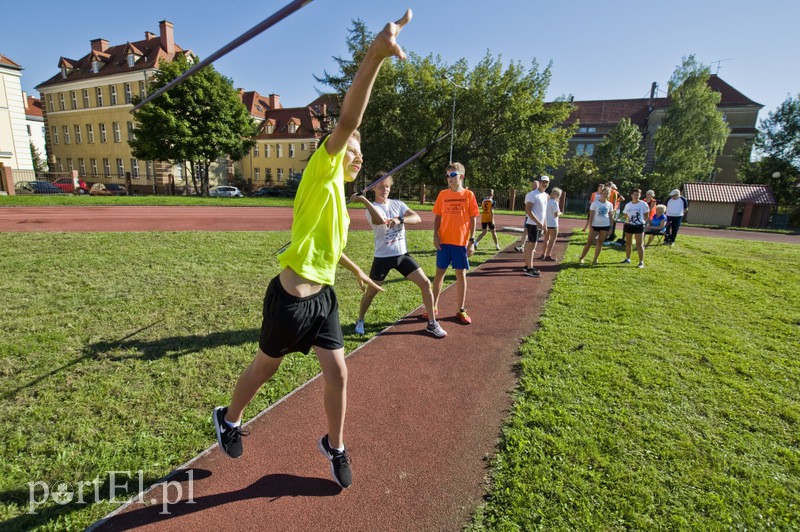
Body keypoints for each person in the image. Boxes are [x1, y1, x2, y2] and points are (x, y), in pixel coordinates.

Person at [212, 9, 413, 490]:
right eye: (352, 148)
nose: (357, 154)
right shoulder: (321, 174)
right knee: (265, 369)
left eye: (360, 150)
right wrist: (375, 56)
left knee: (339, 374)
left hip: (322, 298)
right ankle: (229, 416)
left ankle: (335, 446)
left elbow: (327, 249)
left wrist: (359, 275)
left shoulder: (339, 202)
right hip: (289, 301)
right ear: (332, 149)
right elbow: (348, 118)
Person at [350, 173, 446, 338]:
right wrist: (364, 201)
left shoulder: (398, 204)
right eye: (380, 186)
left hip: (402, 255)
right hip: (383, 257)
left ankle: (432, 323)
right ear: (373, 188)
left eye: (387, 186)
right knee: (372, 291)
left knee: (425, 283)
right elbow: (380, 220)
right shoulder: (372, 208)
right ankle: (360, 319)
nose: (384, 189)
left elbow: (417, 218)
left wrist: (401, 219)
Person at [431, 162, 480, 325]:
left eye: (453, 175)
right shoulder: (442, 195)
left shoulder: (469, 195)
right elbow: (437, 216)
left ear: (461, 176)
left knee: (461, 275)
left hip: (460, 243)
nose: (449, 178)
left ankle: (461, 309)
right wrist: (435, 235)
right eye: (447, 175)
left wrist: (471, 241)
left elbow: (473, 219)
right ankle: (433, 308)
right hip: (444, 242)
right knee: (439, 274)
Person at [578, 186, 613, 265]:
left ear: (609, 195)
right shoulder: (595, 203)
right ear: (601, 194)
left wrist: (611, 228)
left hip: (605, 225)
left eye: (607, 194)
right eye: (604, 193)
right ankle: (582, 257)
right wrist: (591, 227)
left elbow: (610, 217)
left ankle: (595, 259)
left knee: (600, 242)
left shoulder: (610, 205)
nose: (605, 195)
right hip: (595, 225)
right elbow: (591, 216)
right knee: (590, 242)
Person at [523, 176, 549, 276]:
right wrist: (538, 222)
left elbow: (544, 212)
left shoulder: (545, 195)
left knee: (531, 245)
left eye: (547, 182)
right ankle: (530, 268)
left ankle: (527, 266)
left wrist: (545, 224)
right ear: (540, 182)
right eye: (543, 182)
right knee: (532, 246)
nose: (545, 184)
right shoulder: (533, 195)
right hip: (532, 224)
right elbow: (528, 210)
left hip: (539, 225)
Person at [621, 188, 650, 268]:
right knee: (628, 243)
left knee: (639, 244)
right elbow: (626, 215)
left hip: (639, 226)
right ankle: (628, 258)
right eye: (634, 194)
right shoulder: (628, 205)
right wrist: (629, 221)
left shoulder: (643, 204)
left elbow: (646, 215)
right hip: (629, 225)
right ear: (631, 195)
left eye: (638, 195)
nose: (636, 196)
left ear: (640, 195)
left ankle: (641, 262)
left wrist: (641, 222)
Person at [514, 179, 537, 252]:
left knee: (536, 233)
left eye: (536, 185)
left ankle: (532, 247)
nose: (534, 186)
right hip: (529, 216)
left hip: (538, 218)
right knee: (526, 231)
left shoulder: (542, 195)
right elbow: (526, 205)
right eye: (533, 185)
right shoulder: (529, 194)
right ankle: (522, 246)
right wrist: (527, 214)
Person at [542, 187, 562, 261]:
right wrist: (561, 213)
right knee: (552, 239)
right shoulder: (554, 202)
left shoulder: (547, 201)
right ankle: (548, 255)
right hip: (553, 223)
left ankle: (543, 254)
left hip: (547, 222)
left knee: (546, 239)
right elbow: (556, 214)